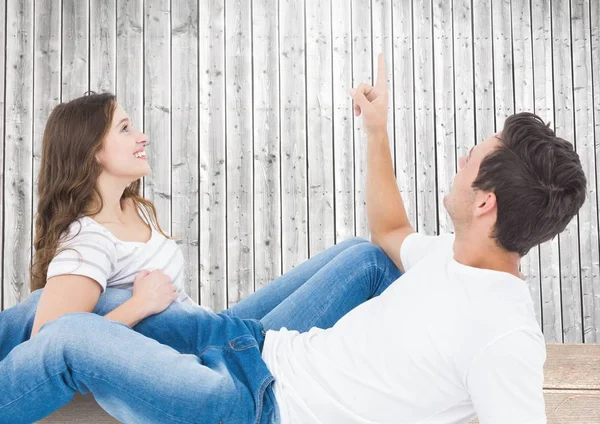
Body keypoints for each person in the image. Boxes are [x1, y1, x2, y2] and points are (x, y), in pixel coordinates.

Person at [1, 53, 587, 423]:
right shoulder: (455, 256)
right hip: (253, 346)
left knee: (71, 338)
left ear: (485, 202)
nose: (457, 162)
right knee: (369, 256)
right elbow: (390, 232)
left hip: (254, 405)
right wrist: (377, 130)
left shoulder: (503, 336)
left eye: (467, 161)